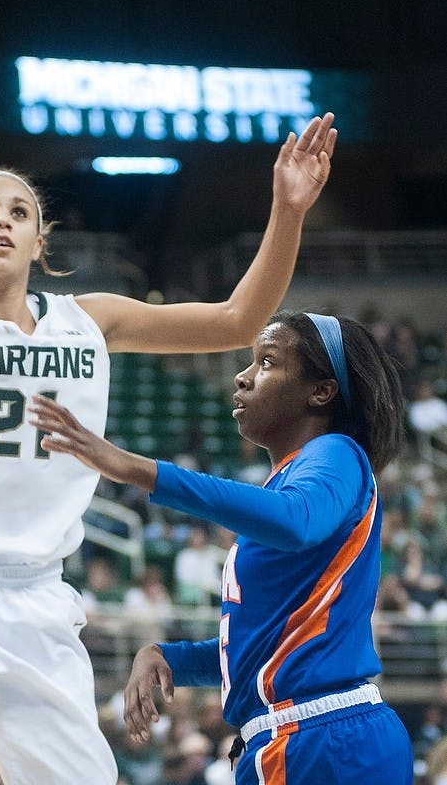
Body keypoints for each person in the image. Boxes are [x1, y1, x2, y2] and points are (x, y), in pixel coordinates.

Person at [0, 0, 336, 785]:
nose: (1, 219)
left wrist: (286, 211)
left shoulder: (93, 317)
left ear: (41, 241)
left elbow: (238, 320)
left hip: (39, 596)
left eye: (18, 211)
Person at [28, 311, 414, 783]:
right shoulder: (291, 482)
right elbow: (262, 653)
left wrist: (138, 469)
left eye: (267, 362)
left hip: (322, 740)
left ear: (321, 391)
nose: (243, 375)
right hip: (302, 738)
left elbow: (296, 521)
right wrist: (171, 657)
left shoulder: (336, 453)